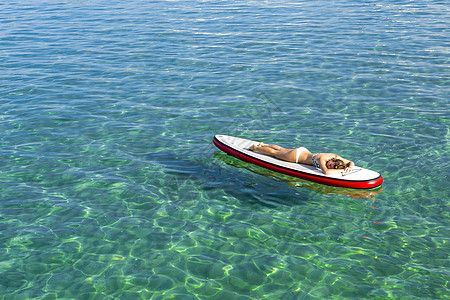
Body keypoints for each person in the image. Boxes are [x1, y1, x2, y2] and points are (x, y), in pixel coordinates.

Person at [248, 142, 354, 175]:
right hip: (296, 157)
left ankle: (263, 145)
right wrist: (343, 170)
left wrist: (349, 166)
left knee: (281, 149)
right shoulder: (323, 159)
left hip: (303, 151)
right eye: (329, 164)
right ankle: (256, 148)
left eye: (330, 166)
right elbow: (326, 172)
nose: (328, 165)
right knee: (275, 153)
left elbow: (350, 162)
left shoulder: (334, 156)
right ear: (331, 161)